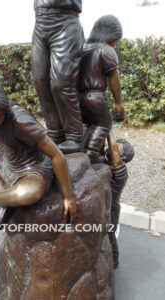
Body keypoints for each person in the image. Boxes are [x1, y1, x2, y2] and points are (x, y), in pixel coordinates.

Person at [0, 75, 77, 225]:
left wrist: (68, 196)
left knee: (29, 193)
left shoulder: (20, 121)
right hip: (8, 160)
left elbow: (57, 155)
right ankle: (1, 193)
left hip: (33, 169)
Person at [31, 0, 84, 153]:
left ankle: (75, 137)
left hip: (65, 21)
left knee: (61, 84)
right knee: (40, 81)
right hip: (40, 22)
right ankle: (55, 134)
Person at [78, 15, 126, 164]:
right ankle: (89, 159)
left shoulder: (83, 49)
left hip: (77, 97)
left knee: (86, 126)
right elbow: (113, 78)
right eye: (116, 40)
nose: (116, 44)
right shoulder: (106, 50)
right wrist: (118, 103)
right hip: (95, 97)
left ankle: (82, 156)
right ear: (112, 35)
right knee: (103, 124)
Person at [105, 130, 135, 268]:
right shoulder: (106, 161)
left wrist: (106, 127)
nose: (111, 148)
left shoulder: (121, 172)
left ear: (122, 157)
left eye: (116, 149)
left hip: (111, 208)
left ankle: (114, 261)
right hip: (105, 204)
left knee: (110, 235)